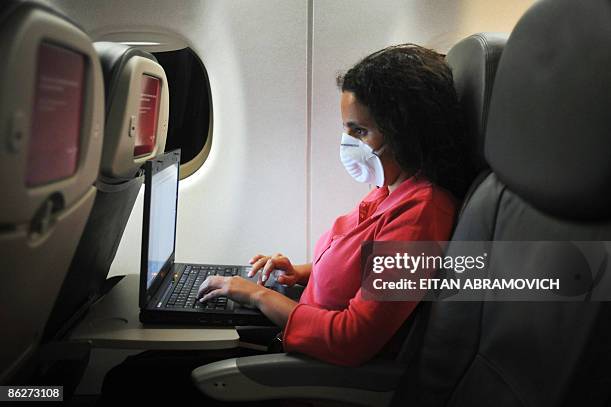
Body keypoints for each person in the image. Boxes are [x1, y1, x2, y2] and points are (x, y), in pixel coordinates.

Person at [100, 43, 469, 404]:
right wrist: (301, 273)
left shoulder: (421, 215)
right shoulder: (390, 190)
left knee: (131, 379)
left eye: (359, 131)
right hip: (298, 339)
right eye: (346, 129)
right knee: (148, 364)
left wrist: (259, 295)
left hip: (316, 373)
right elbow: (362, 268)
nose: (346, 143)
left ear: (403, 131)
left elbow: (351, 338)